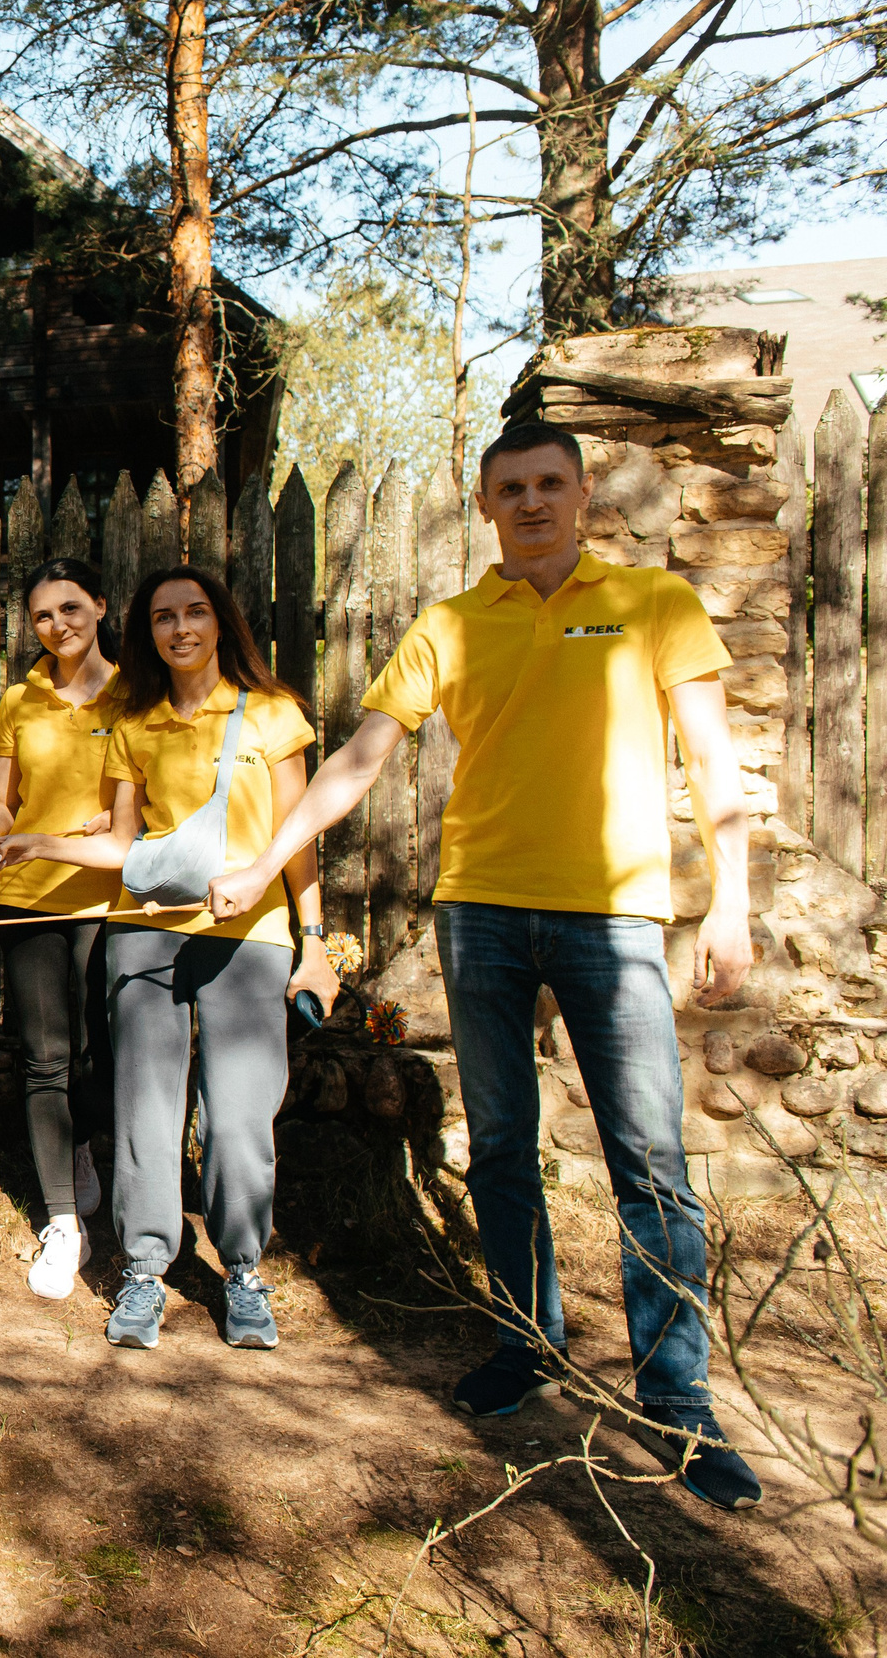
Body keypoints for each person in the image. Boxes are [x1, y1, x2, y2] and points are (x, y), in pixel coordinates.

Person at [206, 420, 762, 1510]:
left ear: (582, 489)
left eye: (550, 483)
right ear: (484, 502)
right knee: (502, 1147)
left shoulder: (655, 606)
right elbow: (359, 760)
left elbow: (714, 764)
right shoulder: (450, 625)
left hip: (613, 918)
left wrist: (729, 908)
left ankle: (679, 1401)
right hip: (483, 916)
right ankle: (525, 1343)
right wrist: (266, 860)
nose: (533, 503)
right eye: (511, 488)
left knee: (647, 1157)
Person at [0, 565, 335, 1352]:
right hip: (143, 932)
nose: (179, 629)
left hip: (249, 937)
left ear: (222, 621)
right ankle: (144, 1270)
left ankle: (243, 1270)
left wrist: (314, 941)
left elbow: (301, 838)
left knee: (241, 1117)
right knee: (146, 1113)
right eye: (163, 618)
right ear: (146, 632)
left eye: (194, 612)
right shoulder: (135, 724)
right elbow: (120, 842)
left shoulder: (274, 714)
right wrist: (36, 842)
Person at [0, 558, 120, 1300]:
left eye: (71, 609)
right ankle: (63, 1222)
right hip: (27, 894)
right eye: (44, 615)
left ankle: (83, 1144)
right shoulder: (19, 698)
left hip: (111, 899)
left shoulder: (133, 694)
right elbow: (3, 801)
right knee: (45, 1056)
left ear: (102, 608)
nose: (58, 626)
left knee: (100, 1056)